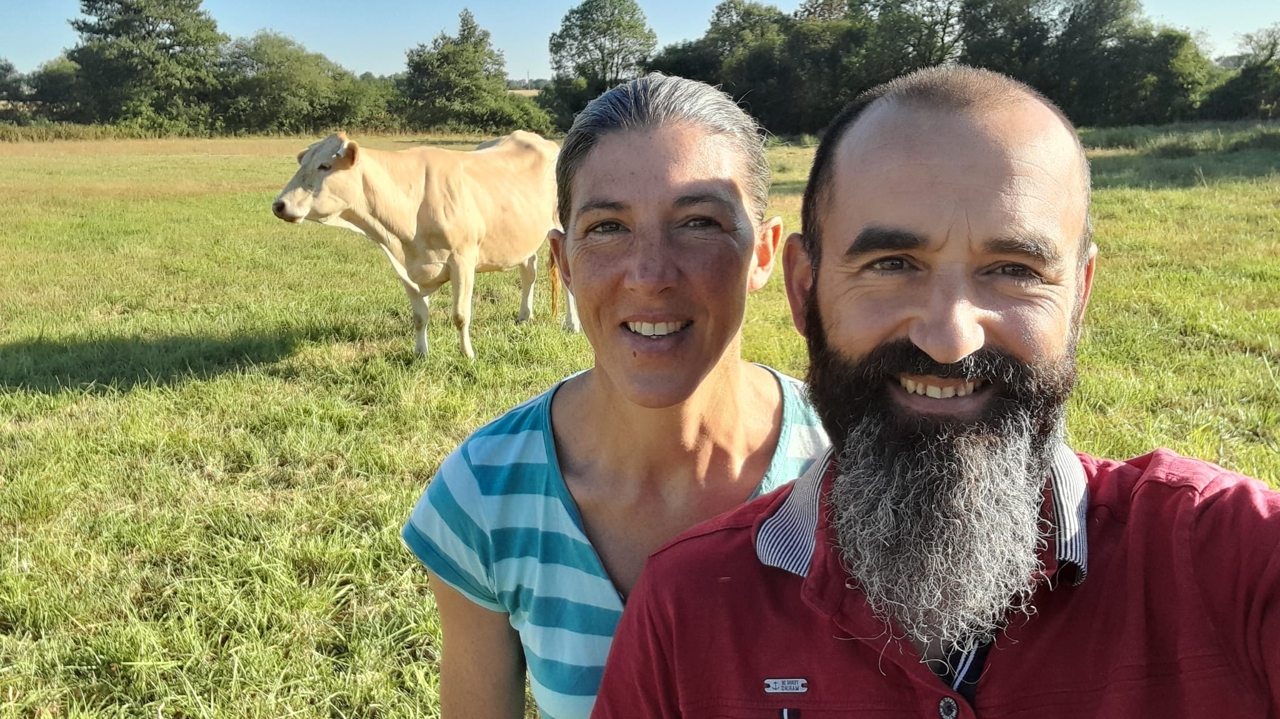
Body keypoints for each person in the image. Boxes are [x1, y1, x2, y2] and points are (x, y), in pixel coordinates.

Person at [591, 65, 1280, 719]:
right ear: (805, 290)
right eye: (892, 264)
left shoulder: (1228, 557)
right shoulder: (685, 609)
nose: (951, 337)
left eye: (1013, 269)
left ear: (1078, 299)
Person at [400, 73, 830, 719]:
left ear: (764, 252)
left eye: (699, 222)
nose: (651, 273)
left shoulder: (855, 465)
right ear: (563, 262)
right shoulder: (486, 492)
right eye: (607, 227)